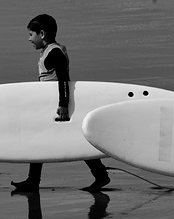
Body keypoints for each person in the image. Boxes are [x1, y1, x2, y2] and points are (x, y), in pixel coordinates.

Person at [11, 14, 110, 193]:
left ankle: (100, 175)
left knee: (67, 139)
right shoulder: (48, 51)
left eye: (31, 34)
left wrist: (63, 104)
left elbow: (64, 78)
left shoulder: (54, 52)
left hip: (58, 106)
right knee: (52, 140)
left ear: (42, 34)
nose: (29, 39)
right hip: (54, 105)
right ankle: (99, 175)